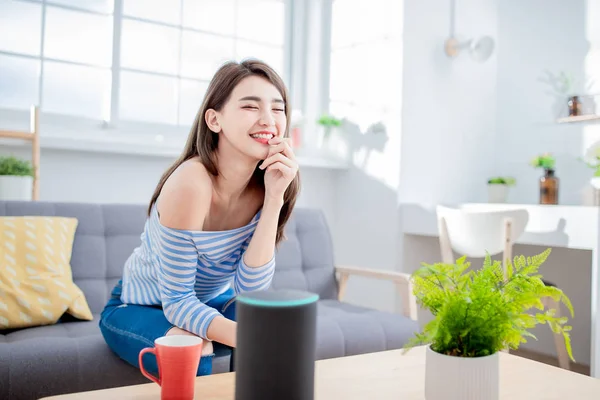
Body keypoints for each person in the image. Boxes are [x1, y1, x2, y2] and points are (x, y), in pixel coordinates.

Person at [99, 59, 300, 376]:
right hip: (140, 306)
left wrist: (275, 198)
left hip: (206, 301)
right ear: (214, 119)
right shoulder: (190, 183)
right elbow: (177, 301)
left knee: (262, 318)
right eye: (250, 106)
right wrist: (248, 337)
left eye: (278, 109)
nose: (268, 120)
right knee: (194, 347)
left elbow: (250, 290)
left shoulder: (270, 183)